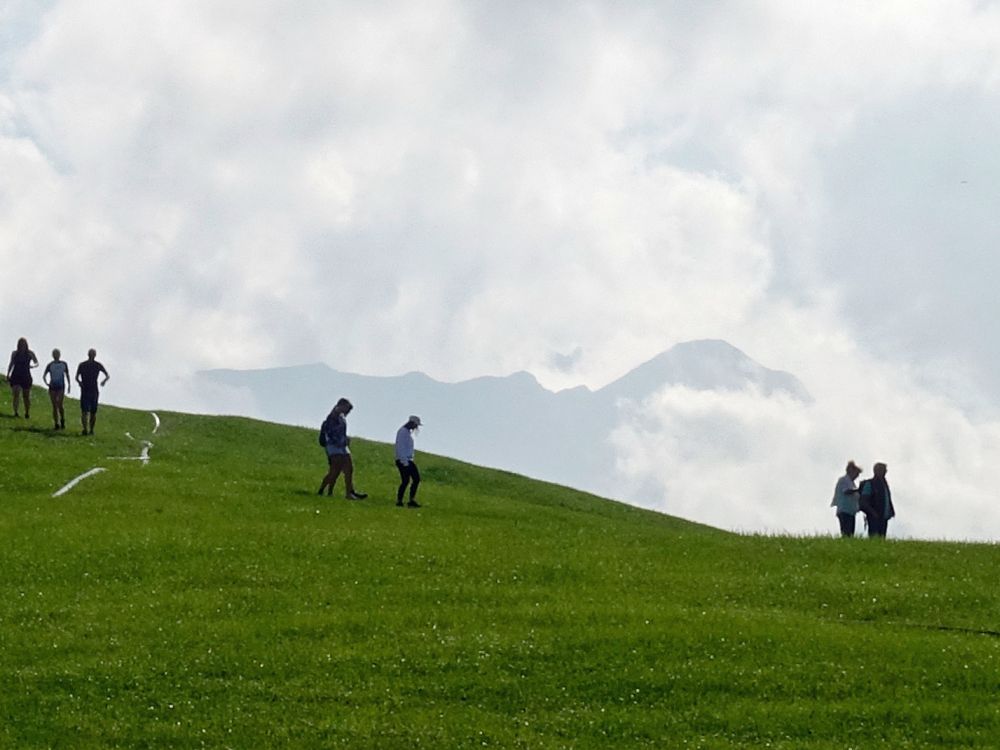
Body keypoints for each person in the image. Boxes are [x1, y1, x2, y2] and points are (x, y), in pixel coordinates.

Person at [317, 398, 368, 500]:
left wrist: (345, 440)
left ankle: (350, 492)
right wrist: (339, 441)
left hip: (343, 446)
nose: (348, 412)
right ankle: (322, 489)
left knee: (349, 467)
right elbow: (331, 433)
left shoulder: (342, 417)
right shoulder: (332, 417)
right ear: (341, 406)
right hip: (334, 446)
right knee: (334, 471)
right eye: (347, 409)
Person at [75, 348, 110, 435]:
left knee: (90, 412)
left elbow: (107, 375)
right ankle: (87, 430)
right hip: (89, 390)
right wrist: (79, 383)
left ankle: (88, 430)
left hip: (91, 390)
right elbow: (76, 377)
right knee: (87, 411)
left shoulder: (87, 365)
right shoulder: (85, 365)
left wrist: (104, 381)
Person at [859, 462, 895, 538]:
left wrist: (891, 511)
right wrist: (872, 512)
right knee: (874, 537)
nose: (885, 472)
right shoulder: (870, 483)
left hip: (884, 517)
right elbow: (864, 501)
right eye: (884, 470)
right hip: (874, 516)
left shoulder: (884, 485)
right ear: (876, 471)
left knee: (881, 538)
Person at [394, 415, 423, 508]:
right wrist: (405, 462)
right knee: (411, 479)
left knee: (407, 480)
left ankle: (403, 500)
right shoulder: (403, 432)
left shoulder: (406, 432)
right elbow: (400, 447)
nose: (416, 427)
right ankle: (407, 500)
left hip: (406, 460)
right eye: (416, 425)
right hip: (404, 460)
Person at [7, 337, 38, 418]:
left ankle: (27, 412)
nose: (22, 346)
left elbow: (36, 362)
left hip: (26, 375)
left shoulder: (30, 353)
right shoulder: (14, 353)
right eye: (21, 344)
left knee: (26, 396)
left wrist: (33, 366)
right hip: (16, 375)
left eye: (23, 344)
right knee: (16, 394)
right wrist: (8, 373)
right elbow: (11, 363)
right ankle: (16, 412)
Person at [830, 460, 862, 537]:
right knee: (846, 532)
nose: (857, 476)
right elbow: (846, 491)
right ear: (851, 470)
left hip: (851, 511)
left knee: (850, 533)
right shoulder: (843, 480)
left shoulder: (852, 483)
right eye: (856, 473)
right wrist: (858, 490)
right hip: (844, 510)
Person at [43, 349, 71, 430]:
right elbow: (44, 375)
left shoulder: (64, 364)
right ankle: (56, 423)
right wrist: (46, 383)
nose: (56, 355)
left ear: (59, 355)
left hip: (61, 386)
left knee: (60, 404)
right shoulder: (50, 365)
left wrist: (69, 385)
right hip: (52, 387)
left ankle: (62, 419)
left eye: (57, 354)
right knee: (54, 405)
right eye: (54, 354)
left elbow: (67, 374)